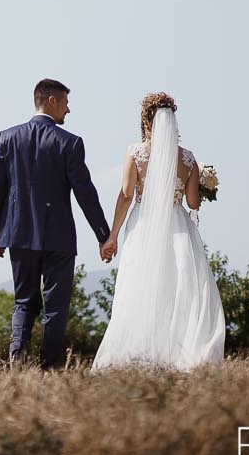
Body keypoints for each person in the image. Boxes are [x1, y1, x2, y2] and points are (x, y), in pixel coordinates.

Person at [92, 92, 226, 370]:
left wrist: (112, 235)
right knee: (177, 289)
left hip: (143, 225)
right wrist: (202, 186)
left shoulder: (135, 153)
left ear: (146, 122)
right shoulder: (187, 158)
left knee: (139, 285)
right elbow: (191, 202)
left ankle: (138, 354)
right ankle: (177, 354)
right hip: (177, 228)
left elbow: (127, 195)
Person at [0, 78, 112, 368]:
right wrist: (103, 235)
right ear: (52, 101)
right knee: (55, 308)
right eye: (66, 104)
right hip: (58, 238)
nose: (68, 111)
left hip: (17, 234)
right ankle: (50, 368)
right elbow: (86, 193)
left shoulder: (7, 138)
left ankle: (17, 361)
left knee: (24, 302)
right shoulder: (69, 143)